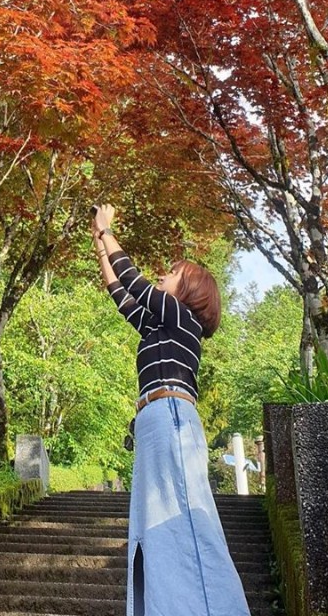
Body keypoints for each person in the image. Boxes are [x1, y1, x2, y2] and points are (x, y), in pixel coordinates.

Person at [91, 203, 251, 616]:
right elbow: (122, 296)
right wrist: (99, 244)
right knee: (153, 527)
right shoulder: (161, 327)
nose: (164, 275)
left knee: (185, 518)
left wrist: (109, 232)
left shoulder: (183, 320)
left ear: (189, 291)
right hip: (154, 422)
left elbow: (137, 284)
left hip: (172, 416)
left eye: (173, 273)